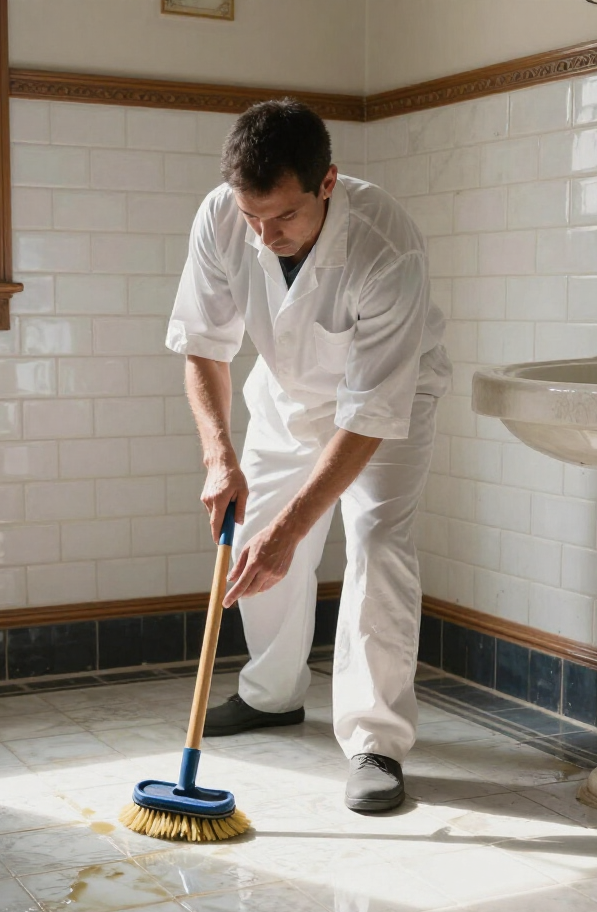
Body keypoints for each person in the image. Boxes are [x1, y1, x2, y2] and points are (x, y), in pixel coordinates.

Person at [166, 99, 450, 813]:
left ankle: (376, 743)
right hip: (289, 395)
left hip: (386, 408)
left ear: (327, 183)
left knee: (377, 541)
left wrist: (295, 533)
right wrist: (217, 457)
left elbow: (369, 413)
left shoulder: (387, 245)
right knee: (253, 530)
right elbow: (203, 343)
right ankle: (272, 694)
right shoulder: (223, 216)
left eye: (283, 219)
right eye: (251, 216)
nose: (263, 236)